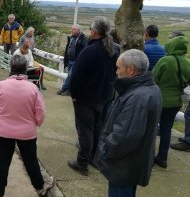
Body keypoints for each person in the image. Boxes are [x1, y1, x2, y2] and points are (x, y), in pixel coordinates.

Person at [95, 49, 162, 197]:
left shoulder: (138, 96)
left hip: (123, 166)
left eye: (119, 68)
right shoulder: (149, 88)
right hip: (131, 163)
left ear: (131, 70)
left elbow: (125, 136)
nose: (116, 72)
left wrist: (105, 150)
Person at [0, 54, 54, 197]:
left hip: (3, 131)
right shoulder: (33, 88)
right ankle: (39, 186)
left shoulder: (1, 85)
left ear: (11, 68)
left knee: (2, 162)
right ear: (26, 69)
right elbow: (40, 112)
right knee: (30, 160)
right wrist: (36, 122)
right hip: (26, 132)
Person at [68, 16, 119, 176]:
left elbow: (76, 77)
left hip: (86, 98)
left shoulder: (89, 51)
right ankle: (94, 159)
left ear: (95, 31)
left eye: (91, 29)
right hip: (104, 97)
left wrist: (74, 95)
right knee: (98, 129)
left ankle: (82, 163)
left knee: (85, 131)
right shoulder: (114, 49)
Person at [152, 35, 190, 168]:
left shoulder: (165, 60)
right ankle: (162, 158)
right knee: (167, 130)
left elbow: (154, 78)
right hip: (176, 102)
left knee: (152, 129)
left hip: (160, 99)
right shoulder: (188, 62)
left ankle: (149, 157)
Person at [57, 24, 88, 96]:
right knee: (71, 76)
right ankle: (69, 91)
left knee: (70, 75)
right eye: (72, 29)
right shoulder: (71, 38)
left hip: (77, 61)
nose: (72, 30)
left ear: (78, 30)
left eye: (74, 29)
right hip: (70, 60)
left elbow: (84, 50)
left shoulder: (83, 39)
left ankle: (64, 88)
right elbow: (68, 48)